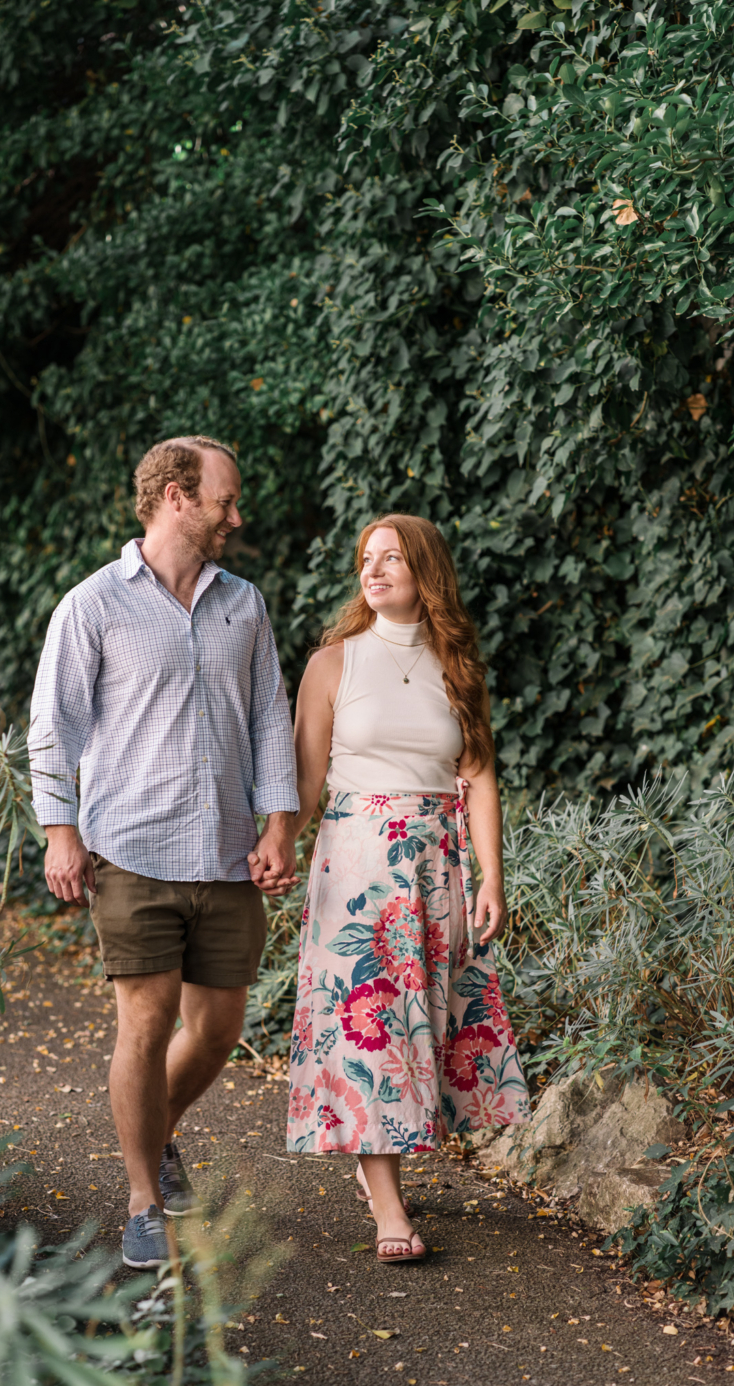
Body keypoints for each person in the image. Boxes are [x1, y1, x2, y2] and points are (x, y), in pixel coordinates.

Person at [28, 435, 298, 1270]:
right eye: (225, 499)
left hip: (224, 853)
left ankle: (159, 1132)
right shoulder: (94, 605)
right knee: (144, 1026)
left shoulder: (242, 604)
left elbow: (269, 718)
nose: (235, 515)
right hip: (132, 851)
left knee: (217, 1030)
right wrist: (59, 830)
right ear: (177, 496)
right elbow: (54, 725)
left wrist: (280, 823)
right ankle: (144, 1199)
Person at [287, 514, 530, 1262]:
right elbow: (303, 782)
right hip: (355, 870)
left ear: (427, 571)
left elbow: (479, 773)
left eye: (392, 557)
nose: (375, 568)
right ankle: (389, 1208)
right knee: (372, 1028)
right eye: (367, 558)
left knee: (419, 1021)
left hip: (436, 869)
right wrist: (270, 847)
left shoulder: (457, 664)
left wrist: (492, 875)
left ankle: (382, 1165)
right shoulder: (333, 665)